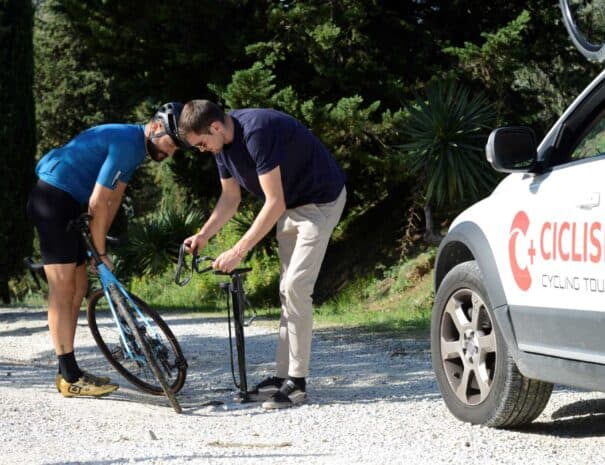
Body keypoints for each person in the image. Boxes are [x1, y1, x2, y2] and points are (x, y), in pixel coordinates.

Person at [179, 100, 346, 409]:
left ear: (215, 127)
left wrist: (238, 250)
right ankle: (283, 376)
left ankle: (297, 383)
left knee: (295, 286)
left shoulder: (256, 131)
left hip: (321, 202)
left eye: (202, 143)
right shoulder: (222, 150)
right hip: (293, 208)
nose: (202, 149)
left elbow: (274, 202)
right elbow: (230, 199)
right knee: (287, 292)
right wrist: (203, 235)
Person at [26, 102, 188, 398]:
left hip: (68, 203)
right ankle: (70, 375)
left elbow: (113, 200)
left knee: (79, 287)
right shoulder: (128, 142)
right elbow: (98, 202)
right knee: (62, 291)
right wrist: (100, 253)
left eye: (178, 147)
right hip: (53, 200)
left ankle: (68, 372)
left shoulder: (136, 149)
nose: (171, 151)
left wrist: (96, 247)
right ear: (155, 127)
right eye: (172, 143)